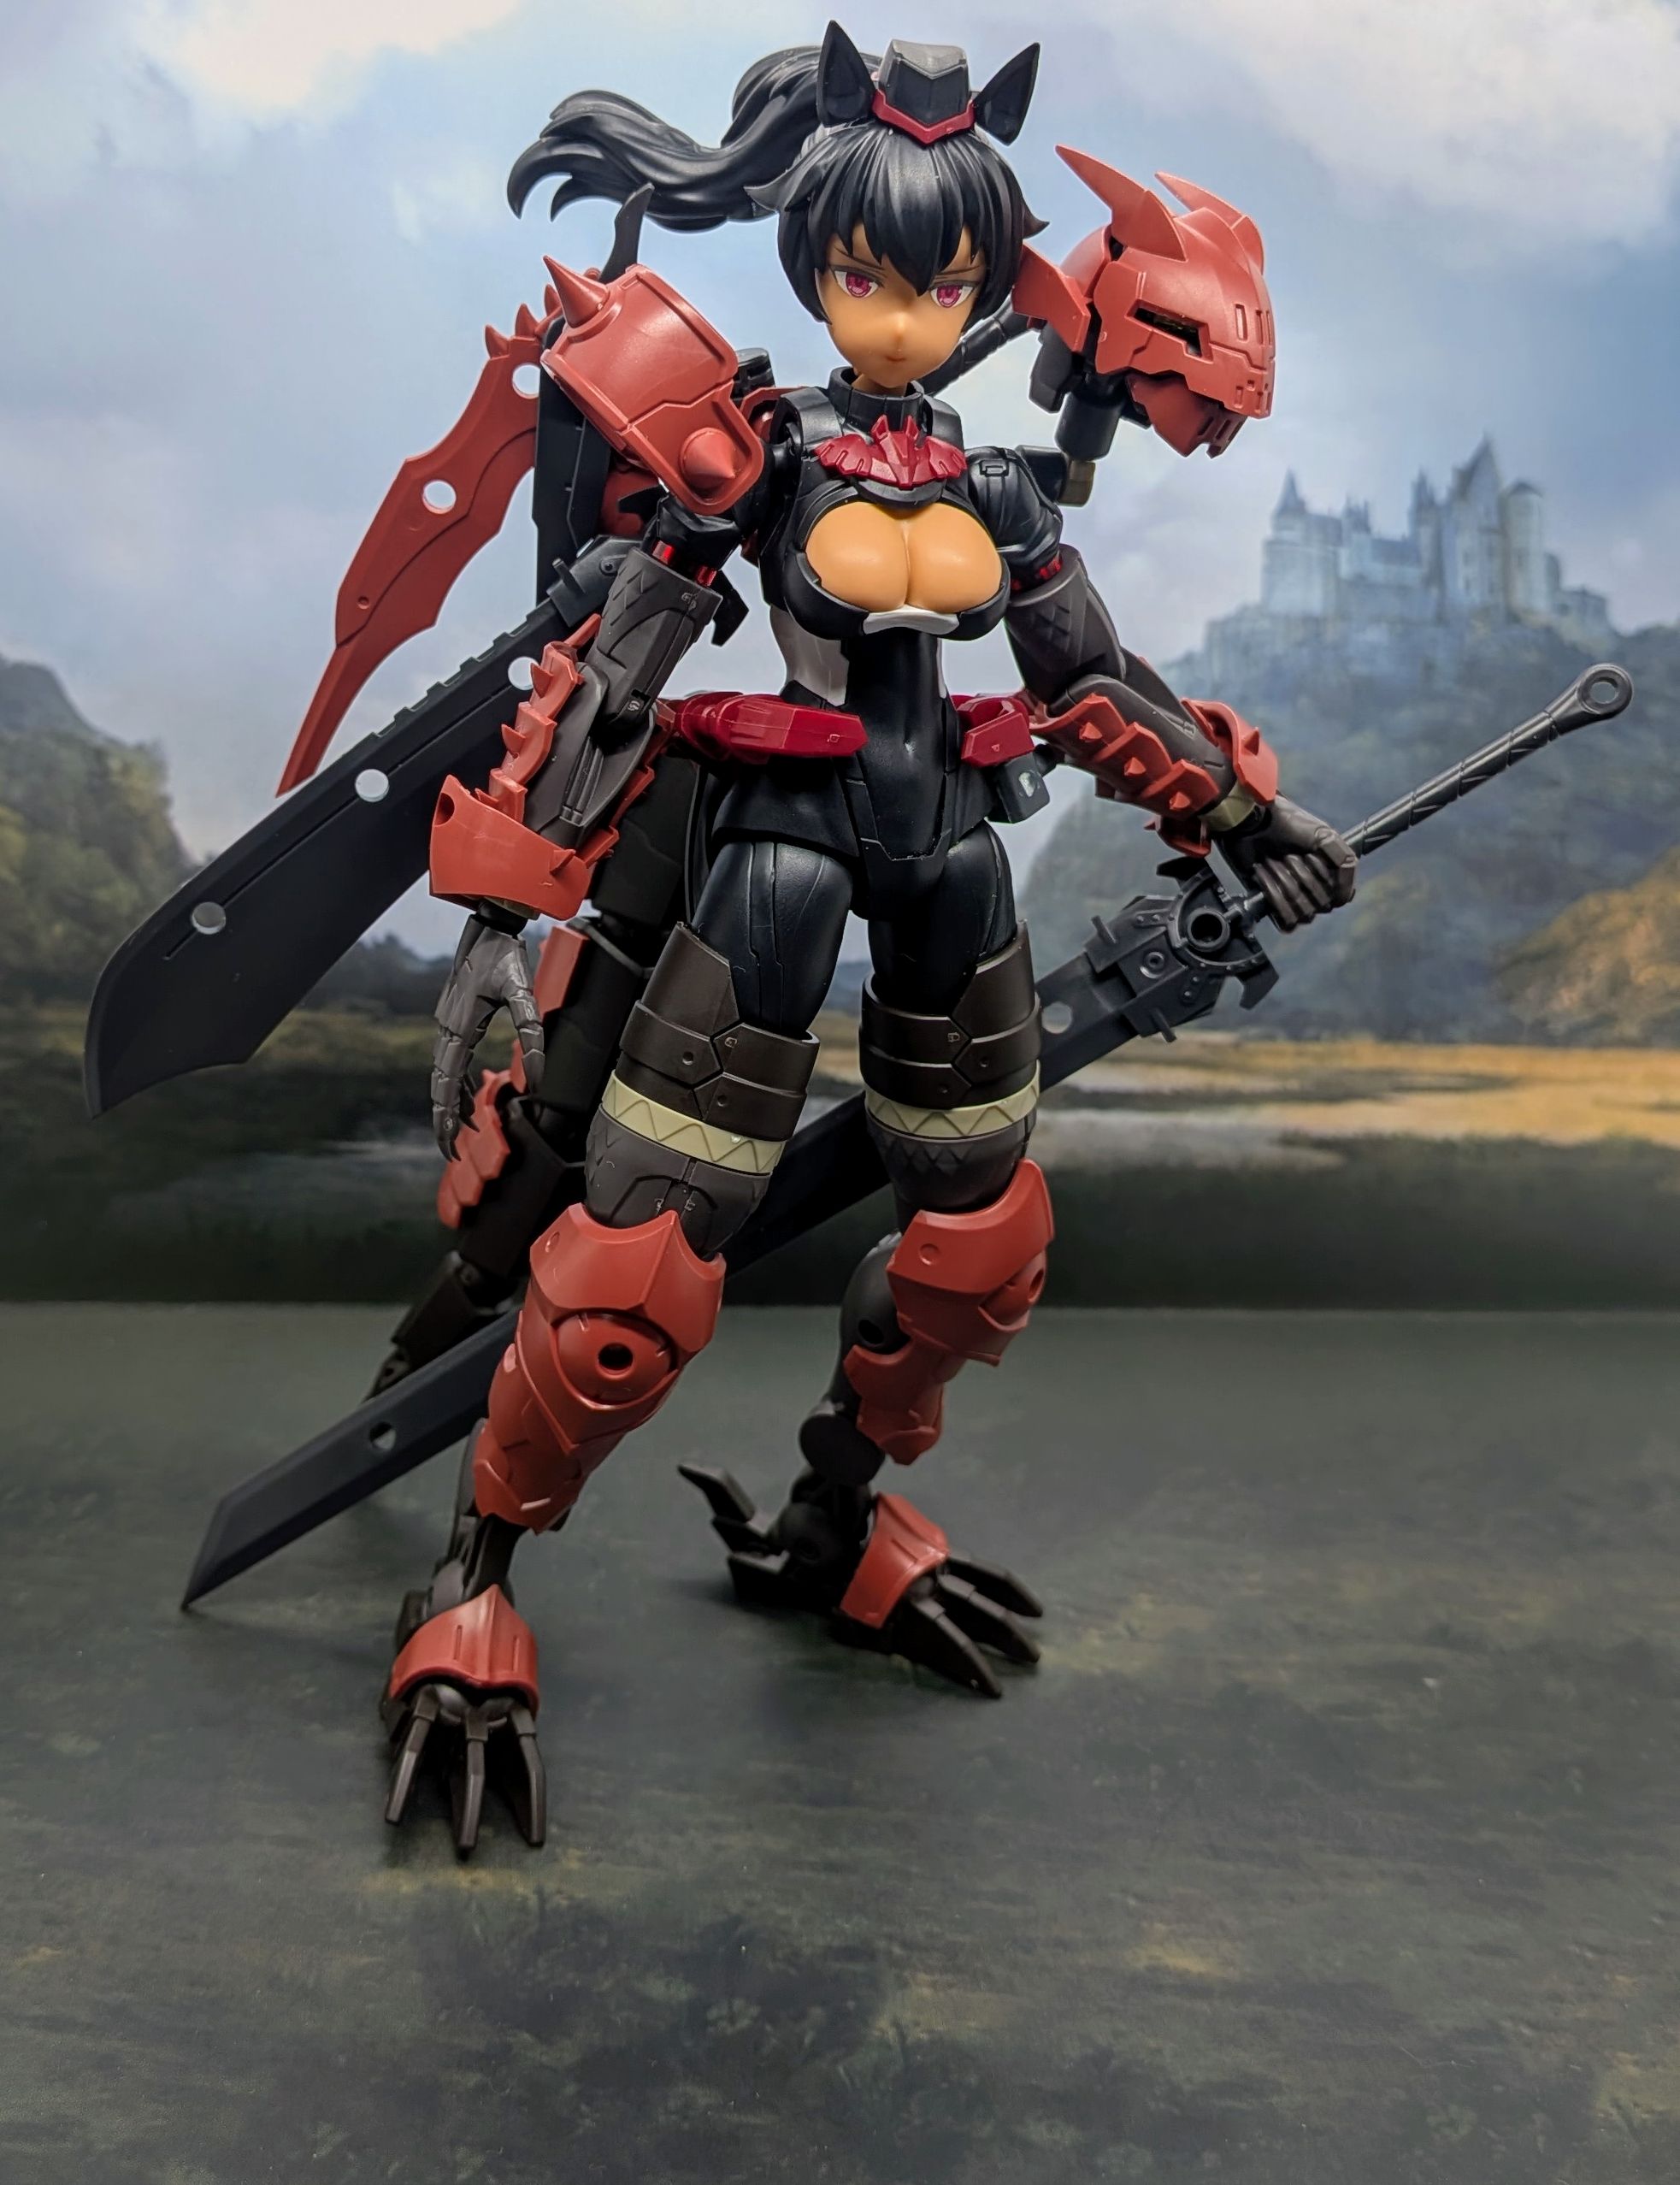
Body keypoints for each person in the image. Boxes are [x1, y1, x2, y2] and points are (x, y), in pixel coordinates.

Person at [383, 26, 1356, 1850]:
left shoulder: (1002, 491)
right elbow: (615, 674)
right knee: (629, 1288)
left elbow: (1088, 681)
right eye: (865, 276)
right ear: (817, 267)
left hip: (946, 868)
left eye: (945, 284)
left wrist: (1238, 817)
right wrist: (505, 909)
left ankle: (826, 1528)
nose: (905, 316)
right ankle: (470, 1580)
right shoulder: (750, 460)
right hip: (766, 867)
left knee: (978, 1256)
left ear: (987, 287)